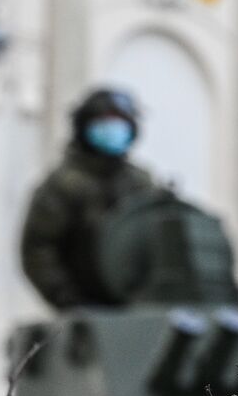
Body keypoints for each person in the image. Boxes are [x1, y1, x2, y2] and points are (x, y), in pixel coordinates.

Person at [20, 88, 161, 308]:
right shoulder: (62, 186)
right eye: (104, 122)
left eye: (119, 122)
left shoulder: (141, 183)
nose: (113, 130)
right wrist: (68, 300)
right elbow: (38, 250)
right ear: (84, 127)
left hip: (139, 303)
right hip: (84, 307)